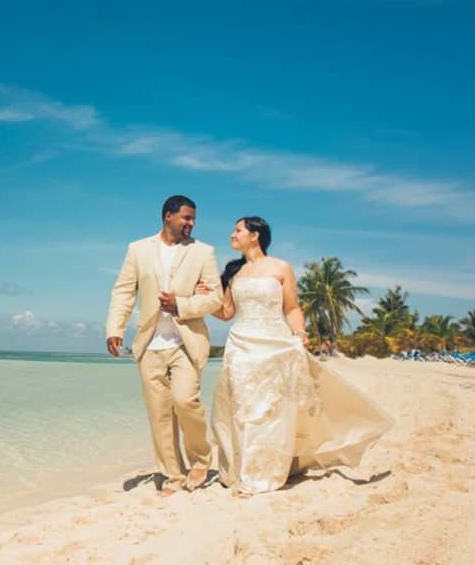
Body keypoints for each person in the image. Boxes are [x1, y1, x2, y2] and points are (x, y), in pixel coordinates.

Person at [197, 217, 395, 497]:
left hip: (275, 344)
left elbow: (291, 308)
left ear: (255, 235)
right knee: (244, 409)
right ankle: (242, 469)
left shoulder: (280, 267)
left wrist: (299, 332)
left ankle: (261, 474)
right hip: (241, 345)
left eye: (237, 230)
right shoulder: (234, 273)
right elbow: (227, 313)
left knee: (271, 410)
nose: (232, 234)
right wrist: (207, 301)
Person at [106, 195, 224, 496]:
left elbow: (215, 299)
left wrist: (180, 305)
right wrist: (114, 329)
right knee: (159, 416)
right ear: (168, 216)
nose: (192, 224)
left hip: (187, 342)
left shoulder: (204, 252)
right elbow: (123, 291)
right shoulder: (137, 249)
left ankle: (200, 459)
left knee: (185, 401)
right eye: (187, 218)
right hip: (149, 344)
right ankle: (173, 477)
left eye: (193, 219)